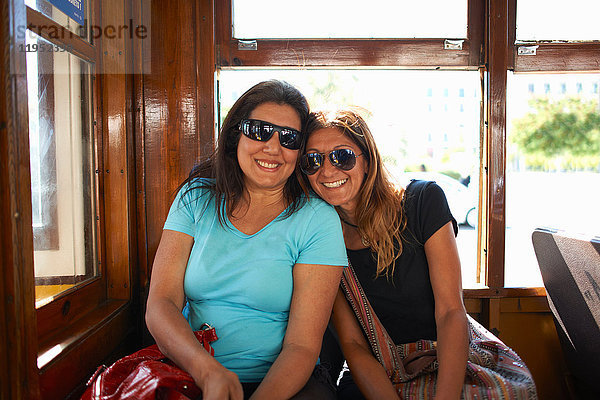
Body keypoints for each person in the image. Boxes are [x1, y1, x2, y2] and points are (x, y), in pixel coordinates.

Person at [145, 80, 348, 400]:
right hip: (193, 372)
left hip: (287, 384)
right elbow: (161, 304)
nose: (273, 147)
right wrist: (207, 371)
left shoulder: (317, 219)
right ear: (235, 135)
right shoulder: (195, 198)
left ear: (299, 151)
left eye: (289, 138)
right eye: (259, 130)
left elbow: (302, 347)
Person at [301, 109, 471, 399]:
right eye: (313, 160)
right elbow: (353, 345)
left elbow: (451, 311)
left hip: (442, 366)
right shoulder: (320, 237)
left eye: (342, 156)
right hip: (375, 377)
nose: (327, 171)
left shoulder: (422, 203)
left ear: (367, 161)